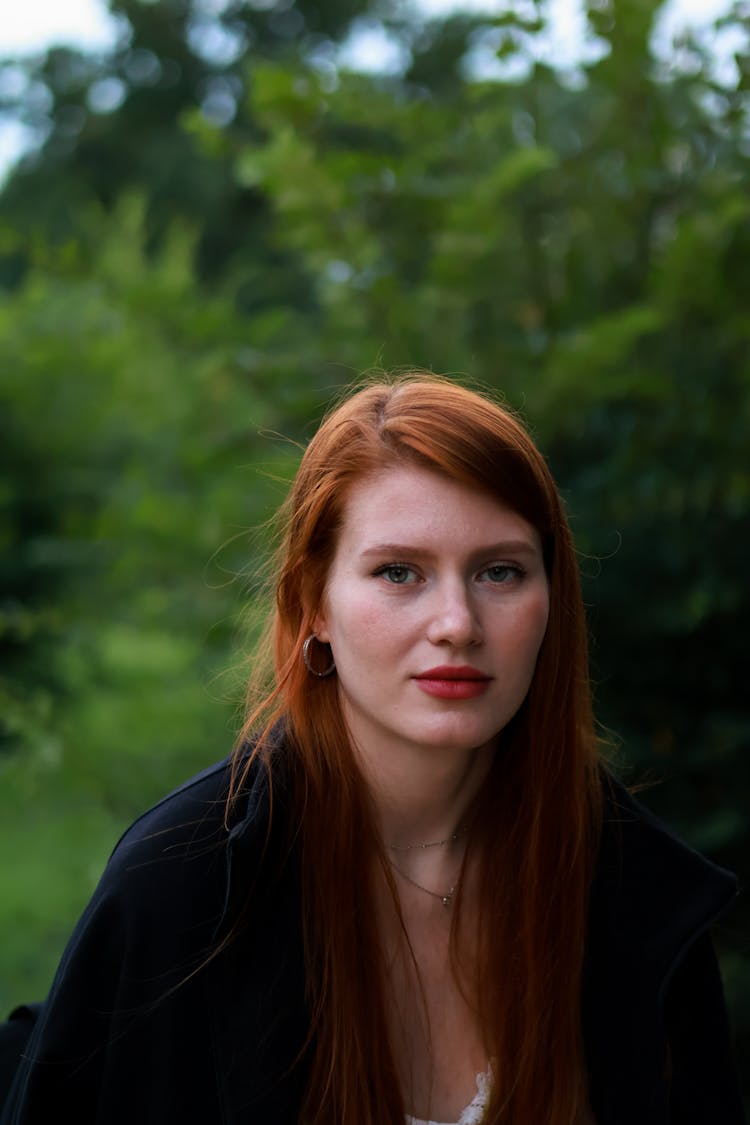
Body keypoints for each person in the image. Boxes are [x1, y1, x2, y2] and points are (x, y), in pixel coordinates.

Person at [0, 374, 744, 1125]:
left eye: (500, 571)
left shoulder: (637, 895)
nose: (457, 622)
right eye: (399, 572)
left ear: (552, 599)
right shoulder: (188, 889)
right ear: (313, 603)